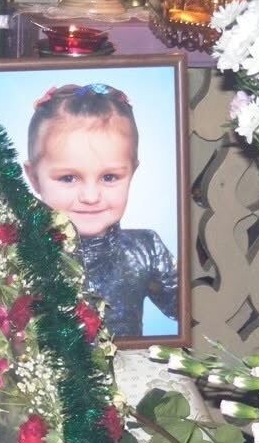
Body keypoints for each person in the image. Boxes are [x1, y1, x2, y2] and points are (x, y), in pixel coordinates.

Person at [23, 83, 178, 337]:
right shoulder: (19, 256)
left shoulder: (146, 249)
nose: (91, 197)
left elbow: (197, 313)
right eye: (68, 178)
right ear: (34, 178)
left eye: (109, 177)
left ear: (132, 173)